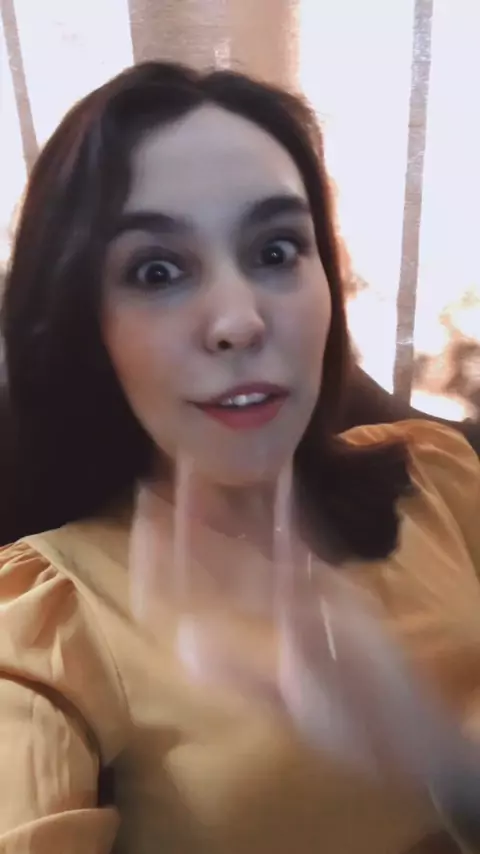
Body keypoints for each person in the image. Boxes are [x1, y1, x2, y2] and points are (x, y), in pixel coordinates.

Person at [1, 61, 480, 854]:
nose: (239, 321)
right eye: (158, 271)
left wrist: (441, 761)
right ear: (85, 324)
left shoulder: (438, 478)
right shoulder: (43, 620)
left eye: (277, 250)